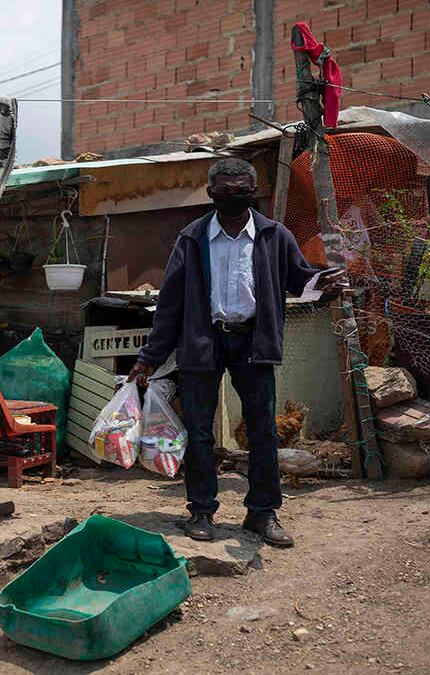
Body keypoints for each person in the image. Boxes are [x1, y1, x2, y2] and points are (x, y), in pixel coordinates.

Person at [129, 158, 344, 547]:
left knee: (262, 430)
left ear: (253, 192)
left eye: (242, 190)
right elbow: (170, 304)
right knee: (198, 432)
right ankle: (201, 511)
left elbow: (301, 280)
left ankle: (262, 513)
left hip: (253, 342)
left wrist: (323, 284)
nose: (234, 197)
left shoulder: (274, 236)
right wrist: (149, 357)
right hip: (202, 341)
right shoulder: (192, 239)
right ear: (211, 194)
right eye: (226, 192)